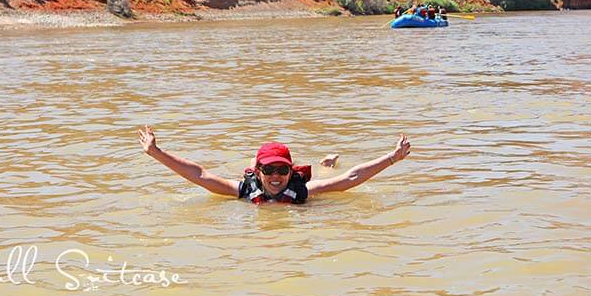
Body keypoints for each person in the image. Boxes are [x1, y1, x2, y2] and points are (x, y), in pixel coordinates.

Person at [138, 127, 411, 204]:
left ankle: (326, 164)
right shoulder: (244, 190)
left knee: (330, 177)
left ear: (291, 171)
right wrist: (156, 153)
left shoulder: (301, 190)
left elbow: (351, 178)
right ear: (259, 173)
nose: (277, 176)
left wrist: (392, 158)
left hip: (308, 183)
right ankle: (325, 162)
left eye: (282, 170)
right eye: (269, 170)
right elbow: (200, 174)